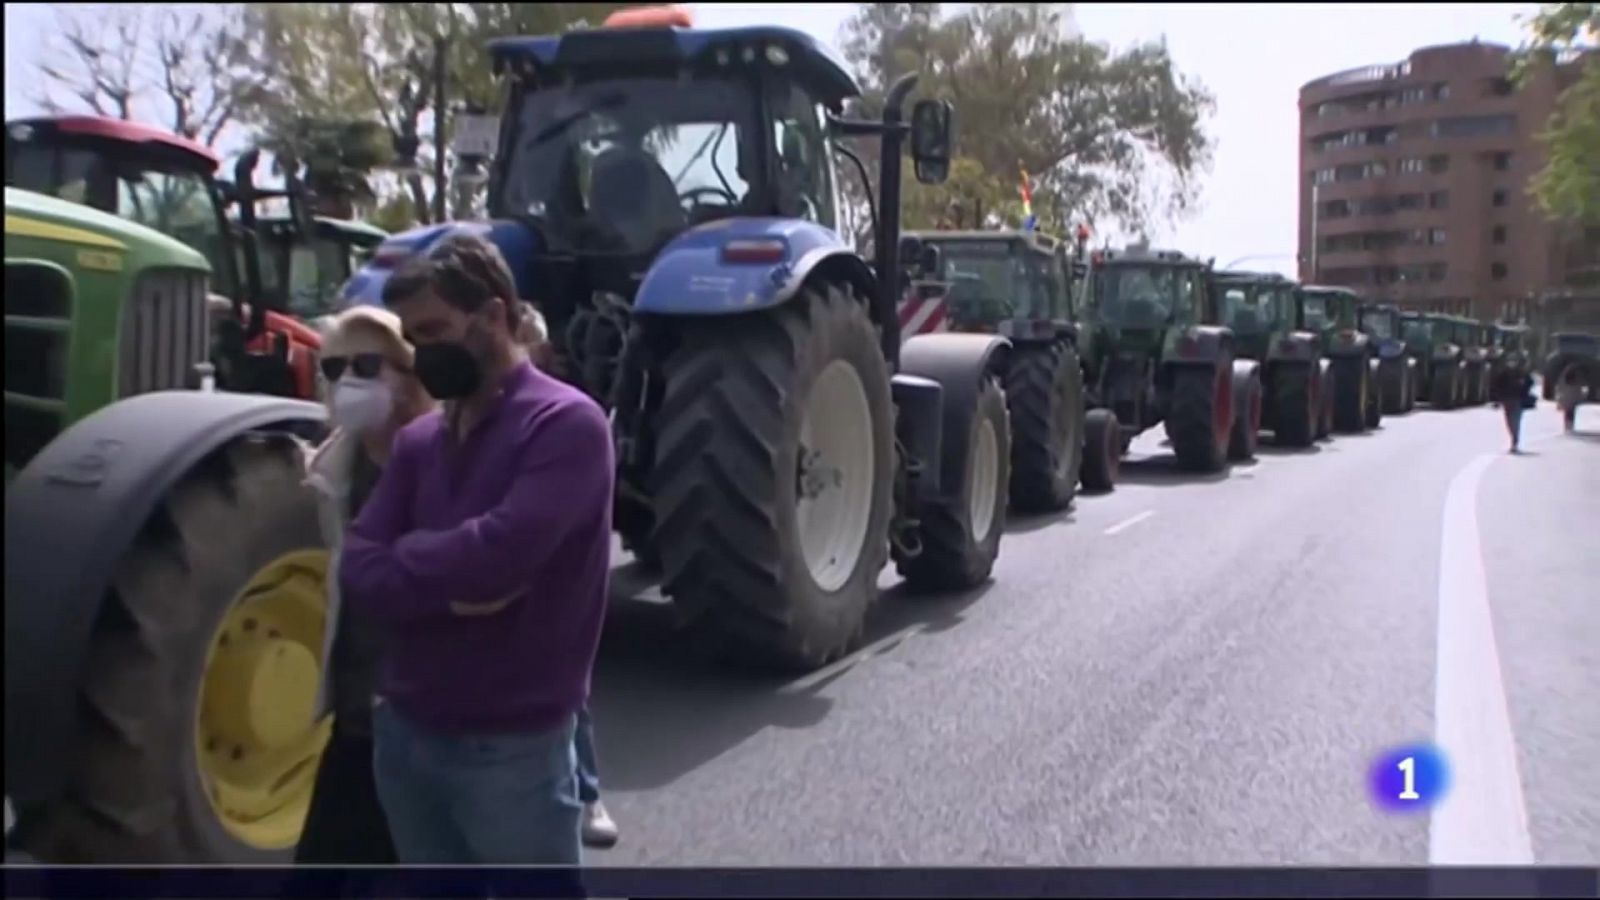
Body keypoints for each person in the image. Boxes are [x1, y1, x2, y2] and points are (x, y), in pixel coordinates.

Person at [340, 233, 614, 865]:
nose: (423, 353)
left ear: (493, 316)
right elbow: (357, 564)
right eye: (414, 338)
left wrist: (406, 563)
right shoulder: (418, 443)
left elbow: (497, 555)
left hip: (511, 749)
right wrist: (447, 580)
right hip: (405, 733)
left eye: (436, 330)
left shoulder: (567, 427)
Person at [295, 306, 434, 873]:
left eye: (368, 364)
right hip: (355, 716)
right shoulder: (336, 467)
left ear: (410, 373)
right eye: (334, 367)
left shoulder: (445, 461)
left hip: (425, 724)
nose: (348, 380)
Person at [514, 301, 621, 850]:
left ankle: (587, 794)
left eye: (530, 347)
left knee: (566, 689)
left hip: (550, 573)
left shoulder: (570, 419)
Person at [1491, 353, 1534, 453]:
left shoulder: (1522, 373)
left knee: (1516, 422)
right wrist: (1496, 399)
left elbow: (1530, 382)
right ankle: (1513, 438)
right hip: (1507, 400)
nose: (1512, 363)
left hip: (1518, 400)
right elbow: (1496, 386)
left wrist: (1523, 387)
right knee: (1509, 422)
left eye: (1514, 361)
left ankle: (1514, 442)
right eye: (1510, 361)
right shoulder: (1503, 373)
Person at [1556, 365, 1587, 433]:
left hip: (1567, 396)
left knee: (1568, 411)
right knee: (1571, 411)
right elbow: (1580, 387)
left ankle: (1567, 425)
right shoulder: (1577, 378)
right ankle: (1570, 425)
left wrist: (1559, 395)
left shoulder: (1564, 377)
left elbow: (1560, 387)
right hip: (1573, 397)